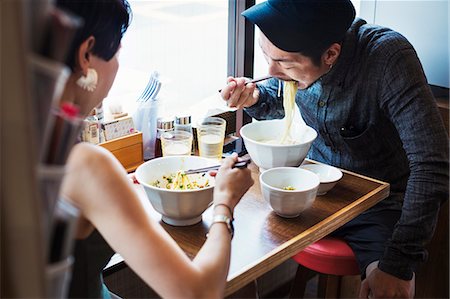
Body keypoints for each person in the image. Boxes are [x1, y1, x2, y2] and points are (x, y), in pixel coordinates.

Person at [220, 0, 449, 298]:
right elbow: (280, 99)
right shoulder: (298, 58)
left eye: (284, 62)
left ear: (331, 54)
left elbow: (433, 165)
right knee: (234, 251)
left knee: (386, 288)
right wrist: (252, 99)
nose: (271, 70)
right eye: (266, 56)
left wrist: (398, 264)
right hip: (312, 190)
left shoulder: (388, 58)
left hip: (379, 205)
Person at [55, 0, 254, 298]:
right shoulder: (85, 163)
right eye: (118, 52)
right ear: (86, 55)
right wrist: (225, 203)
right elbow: (198, 293)